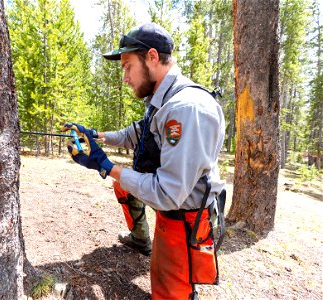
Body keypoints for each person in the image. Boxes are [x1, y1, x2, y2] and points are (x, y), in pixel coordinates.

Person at [63, 22, 225, 300]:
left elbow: (167, 193)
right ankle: (140, 238)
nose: (125, 77)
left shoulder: (185, 109)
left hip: (182, 217)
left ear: (152, 57)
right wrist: (97, 136)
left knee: (167, 291)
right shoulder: (164, 97)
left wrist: (105, 166)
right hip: (172, 201)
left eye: (127, 66)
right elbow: (138, 133)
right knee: (122, 185)